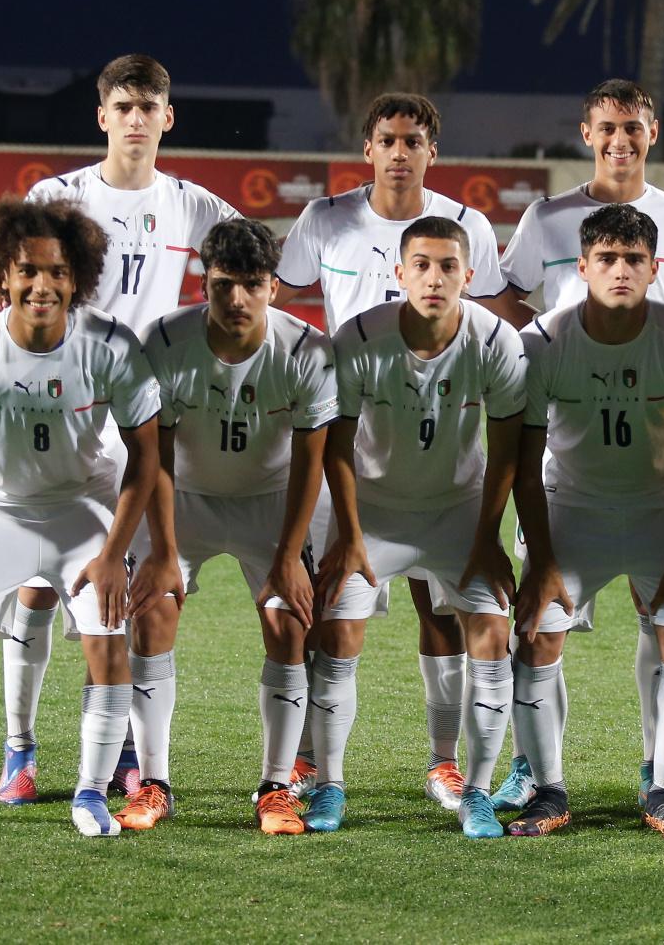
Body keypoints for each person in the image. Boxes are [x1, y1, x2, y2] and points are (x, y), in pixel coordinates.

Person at [477, 79, 664, 813]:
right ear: (588, 133)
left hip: (652, 488)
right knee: (537, 630)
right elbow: (506, 298)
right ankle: (542, 782)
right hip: (573, 485)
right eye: (608, 127)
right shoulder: (547, 247)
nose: (621, 140)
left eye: (634, 127)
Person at [0, 54, 240, 809]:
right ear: (102, 116)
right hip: (60, 415)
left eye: (149, 106)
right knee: (37, 588)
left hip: (145, 429)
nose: (136, 118)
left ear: (169, 118)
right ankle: (20, 751)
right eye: (123, 106)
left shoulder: (198, 208)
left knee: (133, 594)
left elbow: (247, 281)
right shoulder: (55, 196)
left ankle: (131, 751)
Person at [276, 92, 506, 811]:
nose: (400, 152)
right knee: (332, 616)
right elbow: (278, 299)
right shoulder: (325, 219)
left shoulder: (467, 226)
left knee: (439, 612)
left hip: (442, 453)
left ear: (432, 151)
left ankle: (446, 767)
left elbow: (492, 323)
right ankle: (313, 763)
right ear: (368, 148)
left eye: (414, 140)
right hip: (358, 441)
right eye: (388, 139)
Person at [0, 197, 161, 837]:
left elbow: (146, 457)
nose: (41, 285)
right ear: (3, 275)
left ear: (75, 278)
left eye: (55, 272)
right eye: (27, 271)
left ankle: (91, 793)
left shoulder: (111, 345)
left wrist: (113, 555)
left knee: (108, 645)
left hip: (81, 506)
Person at [306, 216, 525, 839]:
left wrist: (487, 535)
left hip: (459, 511)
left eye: (448, 266)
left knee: (490, 636)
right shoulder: (359, 337)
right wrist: (347, 536)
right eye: (422, 266)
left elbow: (508, 449)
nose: (435, 278)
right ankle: (330, 786)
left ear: (469, 275)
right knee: (339, 639)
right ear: (398, 273)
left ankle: (475, 791)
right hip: (372, 511)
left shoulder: (494, 339)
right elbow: (337, 446)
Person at [510, 204, 664, 840]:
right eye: (607, 259)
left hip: (658, 508)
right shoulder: (542, 342)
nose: (620, 270)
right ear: (583, 266)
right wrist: (540, 560)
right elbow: (521, 461)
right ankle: (548, 792)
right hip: (571, 507)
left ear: (656, 269)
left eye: (633, 260)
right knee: (538, 637)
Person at [127, 219, 338, 833]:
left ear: (275, 286)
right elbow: (154, 455)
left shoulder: (306, 350)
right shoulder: (163, 341)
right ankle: (154, 783)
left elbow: (310, 460)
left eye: (253, 284)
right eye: (224, 285)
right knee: (152, 612)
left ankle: (276, 787)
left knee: (288, 621)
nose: (238, 300)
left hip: (271, 500)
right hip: (183, 497)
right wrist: (164, 549)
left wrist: (289, 556)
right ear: (204, 282)